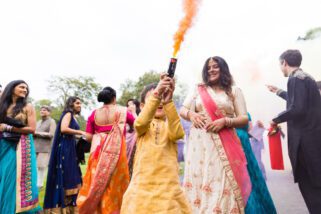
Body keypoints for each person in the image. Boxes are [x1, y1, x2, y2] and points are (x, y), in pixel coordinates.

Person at [180, 56, 276, 213]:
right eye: (209, 67)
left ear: (223, 69)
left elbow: (244, 118)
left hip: (227, 145)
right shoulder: (198, 89)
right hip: (202, 149)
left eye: (215, 66)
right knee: (203, 183)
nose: (211, 70)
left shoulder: (233, 90)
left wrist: (225, 121)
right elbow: (183, 109)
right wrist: (192, 115)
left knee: (225, 184)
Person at [121, 75, 192, 213]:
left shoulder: (170, 124)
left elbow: (177, 134)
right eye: (155, 97)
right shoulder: (143, 126)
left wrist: (168, 102)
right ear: (142, 106)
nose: (159, 100)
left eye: (161, 97)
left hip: (169, 190)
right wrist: (158, 91)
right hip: (142, 189)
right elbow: (140, 124)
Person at [267, 49, 321, 213]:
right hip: (314, 141)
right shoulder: (306, 77)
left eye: (280, 64)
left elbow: (297, 108)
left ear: (284, 62)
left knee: (311, 188)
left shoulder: (294, 79)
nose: (280, 68)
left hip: (304, 143)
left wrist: (276, 119)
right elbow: (298, 99)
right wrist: (278, 91)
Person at [77, 87, 135, 214]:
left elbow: (88, 136)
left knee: (97, 181)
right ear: (114, 98)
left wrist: (100, 137)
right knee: (115, 182)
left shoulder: (94, 114)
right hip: (118, 152)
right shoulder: (123, 111)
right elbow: (136, 124)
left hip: (98, 152)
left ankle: (98, 210)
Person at [0, 80, 41, 213]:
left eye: (26, 88)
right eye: (22, 87)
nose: (25, 90)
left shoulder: (28, 106)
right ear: (12, 88)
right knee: (2, 175)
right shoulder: (3, 105)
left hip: (20, 147)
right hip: (3, 144)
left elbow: (32, 129)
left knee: (13, 177)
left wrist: (8, 127)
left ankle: (12, 209)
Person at [44, 96, 87, 213]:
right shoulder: (68, 113)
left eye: (80, 103)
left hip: (70, 147)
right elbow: (64, 129)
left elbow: (71, 133)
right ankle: (62, 207)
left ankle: (71, 206)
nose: (80, 105)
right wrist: (81, 132)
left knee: (72, 174)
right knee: (67, 175)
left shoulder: (73, 116)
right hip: (65, 148)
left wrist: (85, 137)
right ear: (71, 104)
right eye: (77, 103)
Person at [34, 105, 56, 189]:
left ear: (49, 112)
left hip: (45, 147)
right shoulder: (38, 122)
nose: (42, 111)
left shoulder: (51, 121)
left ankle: (40, 184)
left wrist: (37, 133)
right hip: (35, 146)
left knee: (41, 166)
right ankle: (34, 183)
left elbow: (51, 134)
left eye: (44, 110)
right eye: (41, 110)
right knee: (34, 166)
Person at [126, 98, 140, 178]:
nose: (129, 107)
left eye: (131, 104)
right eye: (128, 105)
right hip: (126, 146)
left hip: (135, 146)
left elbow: (138, 125)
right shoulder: (125, 118)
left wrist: (134, 112)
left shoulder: (140, 116)